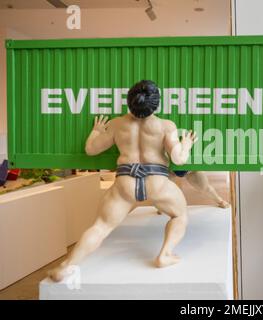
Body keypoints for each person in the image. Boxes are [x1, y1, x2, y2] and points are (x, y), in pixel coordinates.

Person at [49, 80, 197, 282]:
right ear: (155, 104)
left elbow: (91, 149)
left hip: (125, 183)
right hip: (157, 183)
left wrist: (96, 131)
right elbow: (179, 159)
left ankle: (66, 267)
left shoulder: (117, 124)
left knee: (100, 227)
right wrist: (186, 144)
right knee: (180, 215)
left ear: (130, 101)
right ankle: (165, 254)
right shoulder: (165, 126)